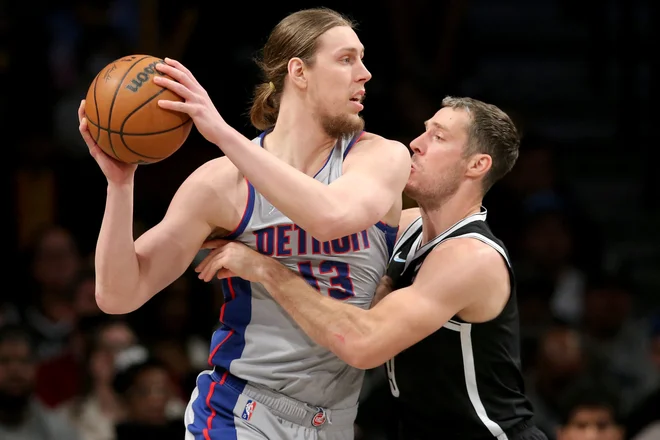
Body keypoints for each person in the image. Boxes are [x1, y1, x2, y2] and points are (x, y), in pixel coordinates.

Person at [77, 7, 410, 440]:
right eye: (346, 59)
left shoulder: (380, 157)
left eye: (362, 59)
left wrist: (219, 132)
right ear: (299, 71)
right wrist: (121, 187)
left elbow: (331, 218)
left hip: (337, 421)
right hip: (240, 411)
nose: (364, 73)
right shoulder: (223, 184)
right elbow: (118, 294)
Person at [197, 96, 549, 440]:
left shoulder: (470, 257)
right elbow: (318, 217)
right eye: (424, 131)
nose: (416, 143)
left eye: (438, 137)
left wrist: (266, 270)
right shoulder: (407, 228)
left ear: (477, 165)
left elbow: (362, 344)